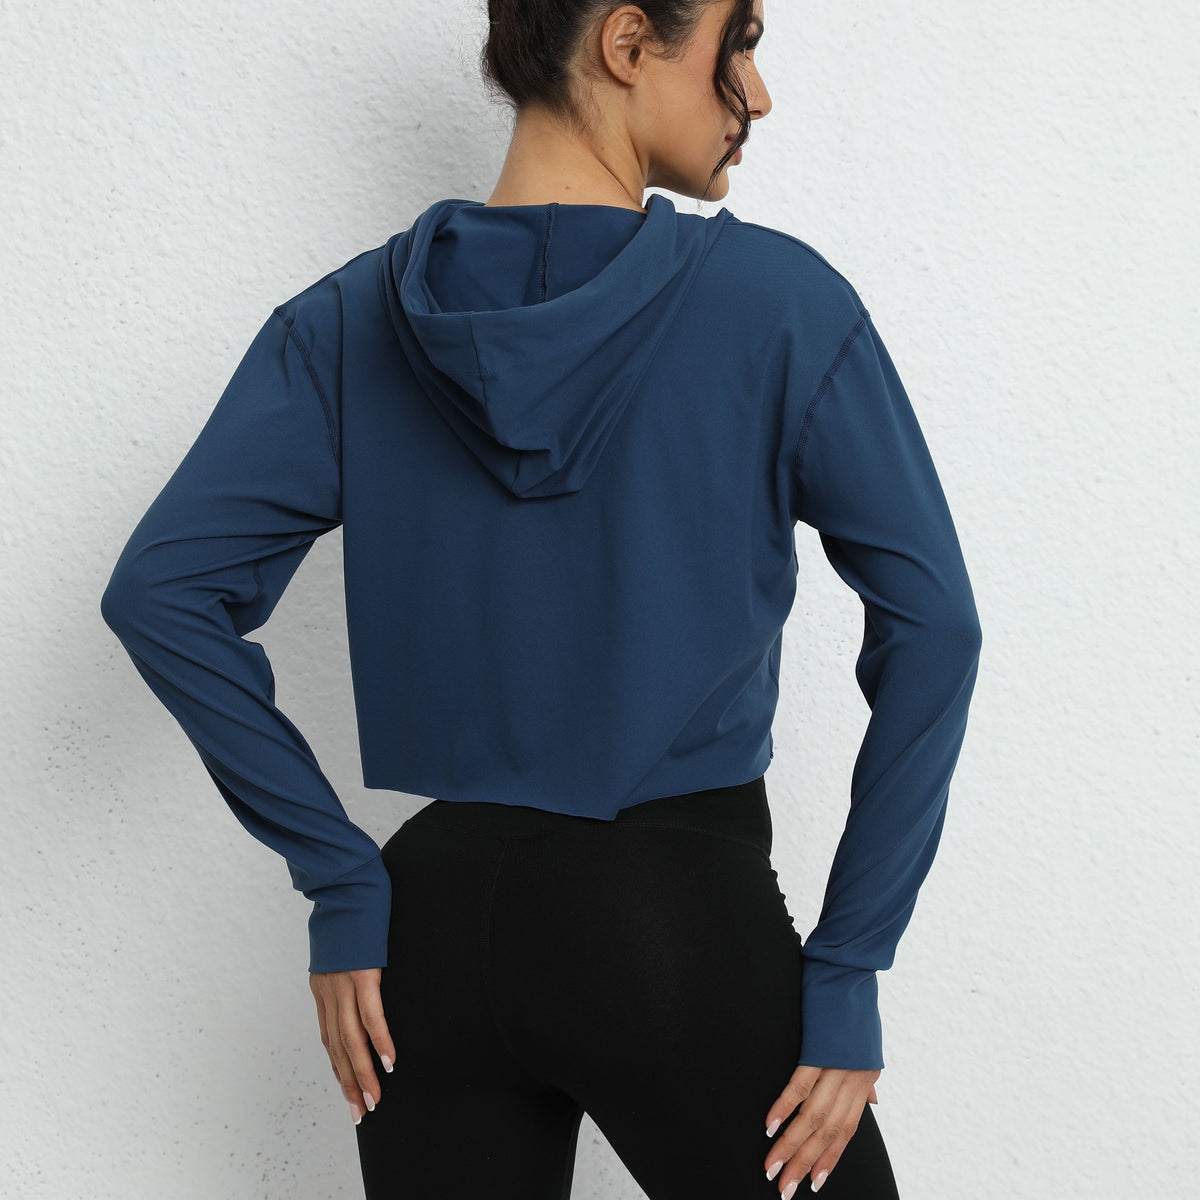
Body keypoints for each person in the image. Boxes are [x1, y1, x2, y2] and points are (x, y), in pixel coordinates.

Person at [99, 0, 982, 1196]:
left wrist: (342, 876)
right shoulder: (778, 304)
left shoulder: (347, 322)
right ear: (627, 42)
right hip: (673, 920)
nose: (758, 94)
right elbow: (936, 627)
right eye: (739, 43)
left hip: (426, 939)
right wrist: (849, 960)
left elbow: (162, 591)